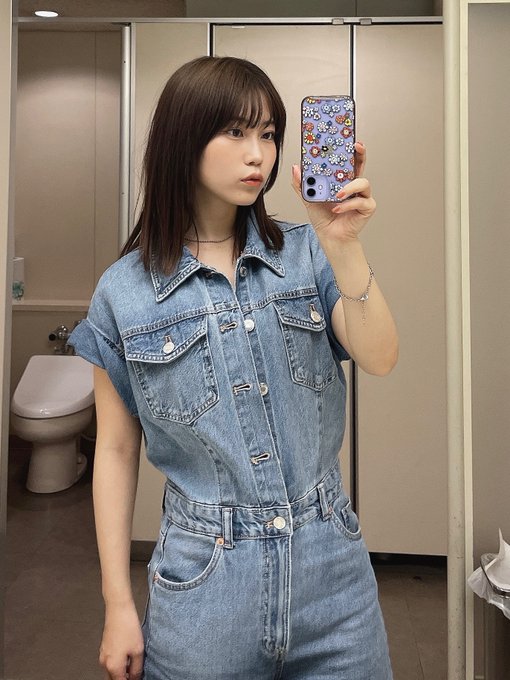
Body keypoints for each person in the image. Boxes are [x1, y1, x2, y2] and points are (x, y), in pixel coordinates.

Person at [68, 55, 398, 680]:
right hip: (205, 585)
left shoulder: (306, 252)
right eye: (236, 132)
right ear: (183, 139)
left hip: (332, 574)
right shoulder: (123, 293)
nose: (259, 155)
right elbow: (113, 450)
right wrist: (117, 603)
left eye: (269, 134)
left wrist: (345, 246)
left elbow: (380, 357)